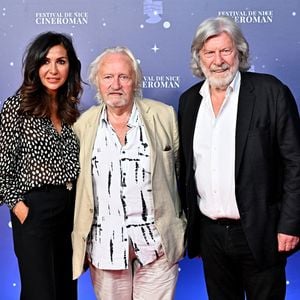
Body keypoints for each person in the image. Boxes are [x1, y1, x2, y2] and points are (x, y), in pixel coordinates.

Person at [178, 16, 300, 300]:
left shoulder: (270, 92)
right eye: (209, 52)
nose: (218, 60)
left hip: (261, 231)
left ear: (240, 52)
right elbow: (186, 168)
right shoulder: (189, 102)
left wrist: (290, 225)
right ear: (199, 57)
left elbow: (295, 163)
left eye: (226, 50)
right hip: (211, 235)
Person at [72, 46, 186, 300]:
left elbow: (182, 175)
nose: (116, 85)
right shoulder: (82, 126)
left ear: (135, 81)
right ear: (97, 83)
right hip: (105, 249)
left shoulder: (164, 116)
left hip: (157, 248)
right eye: (108, 77)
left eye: (123, 77)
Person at [0, 31, 83, 300]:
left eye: (61, 61)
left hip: (69, 208)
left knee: (65, 290)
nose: (53, 69)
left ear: (70, 66)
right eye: (45, 62)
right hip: (35, 209)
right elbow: (3, 165)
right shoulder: (18, 107)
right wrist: (20, 208)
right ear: (35, 67)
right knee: (41, 293)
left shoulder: (71, 110)